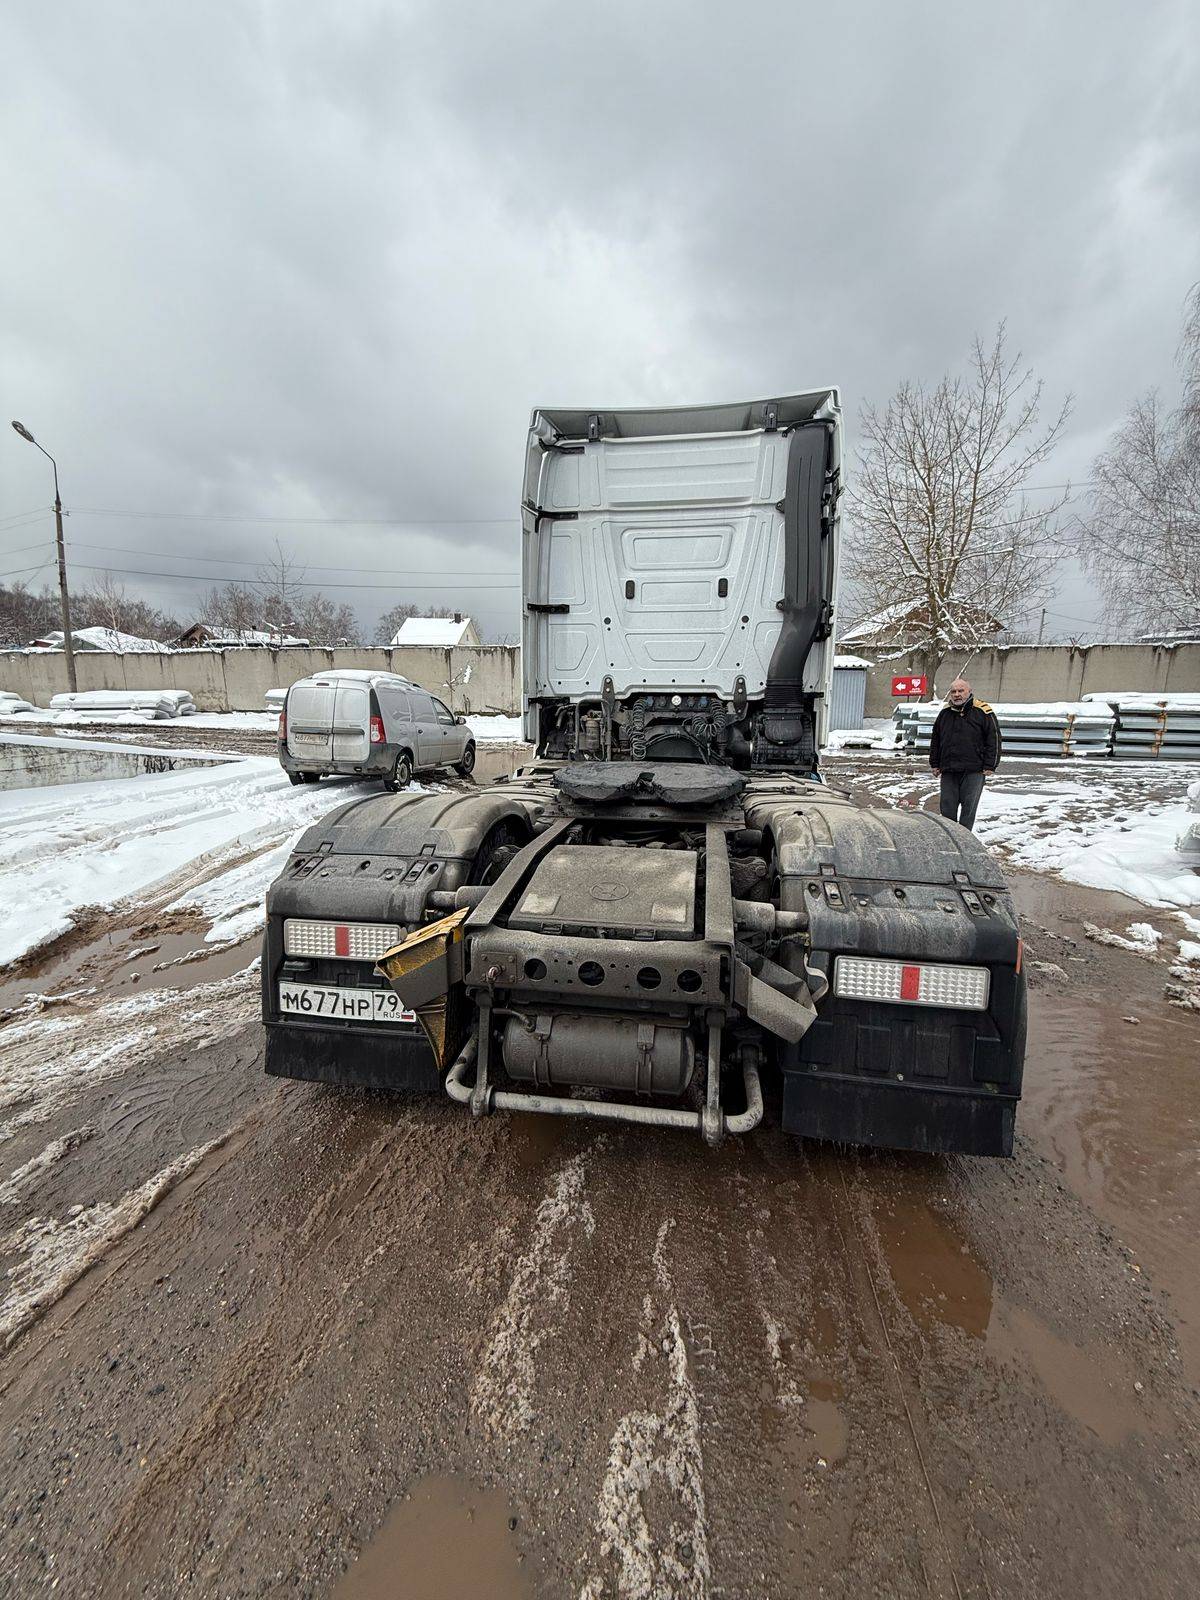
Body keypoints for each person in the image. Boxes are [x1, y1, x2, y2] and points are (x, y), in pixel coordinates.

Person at [929, 677, 1000, 831]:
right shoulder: (945, 713)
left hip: (974, 769)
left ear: (969, 691)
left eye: (961, 691)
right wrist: (934, 764)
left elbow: (994, 739)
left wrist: (990, 765)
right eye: (953, 691)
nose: (957, 694)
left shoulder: (983, 711)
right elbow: (936, 739)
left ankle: (965, 840)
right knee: (947, 808)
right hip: (949, 769)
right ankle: (949, 837)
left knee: (968, 809)